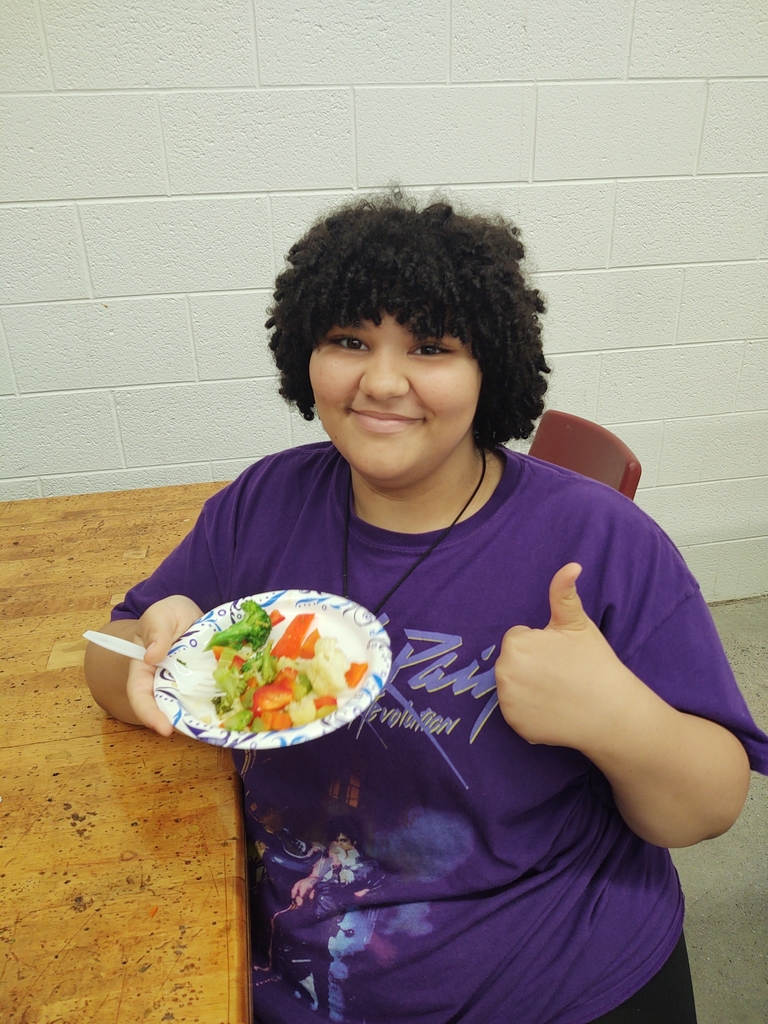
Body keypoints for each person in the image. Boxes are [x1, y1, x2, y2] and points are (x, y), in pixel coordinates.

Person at [84, 191, 768, 1024]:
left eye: (431, 347)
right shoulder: (264, 505)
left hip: (561, 978)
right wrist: (150, 660)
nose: (380, 381)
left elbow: (710, 806)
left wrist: (616, 717)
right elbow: (109, 653)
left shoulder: (598, 540)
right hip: (305, 972)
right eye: (349, 341)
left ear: (490, 369)